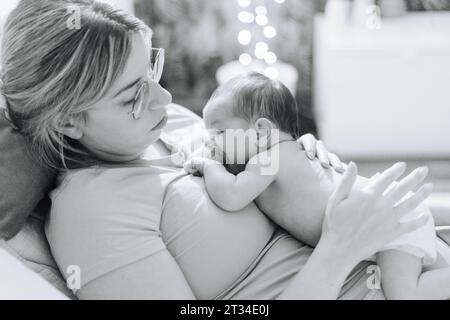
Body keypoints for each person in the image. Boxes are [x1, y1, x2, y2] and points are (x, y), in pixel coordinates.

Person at [0, 0, 434, 299]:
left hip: (401, 255)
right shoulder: (94, 217)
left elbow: (271, 175)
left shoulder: (169, 129)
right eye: (132, 95)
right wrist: (339, 249)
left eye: (153, 67)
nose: (165, 100)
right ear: (66, 120)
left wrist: (296, 157)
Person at [184, 72, 450, 299]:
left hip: (388, 219)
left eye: (218, 133)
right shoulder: (283, 155)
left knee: (405, 294)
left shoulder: (269, 159)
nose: (210, 143)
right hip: (383, 213)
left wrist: (209, 166)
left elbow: (231, 196)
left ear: (262, 131)